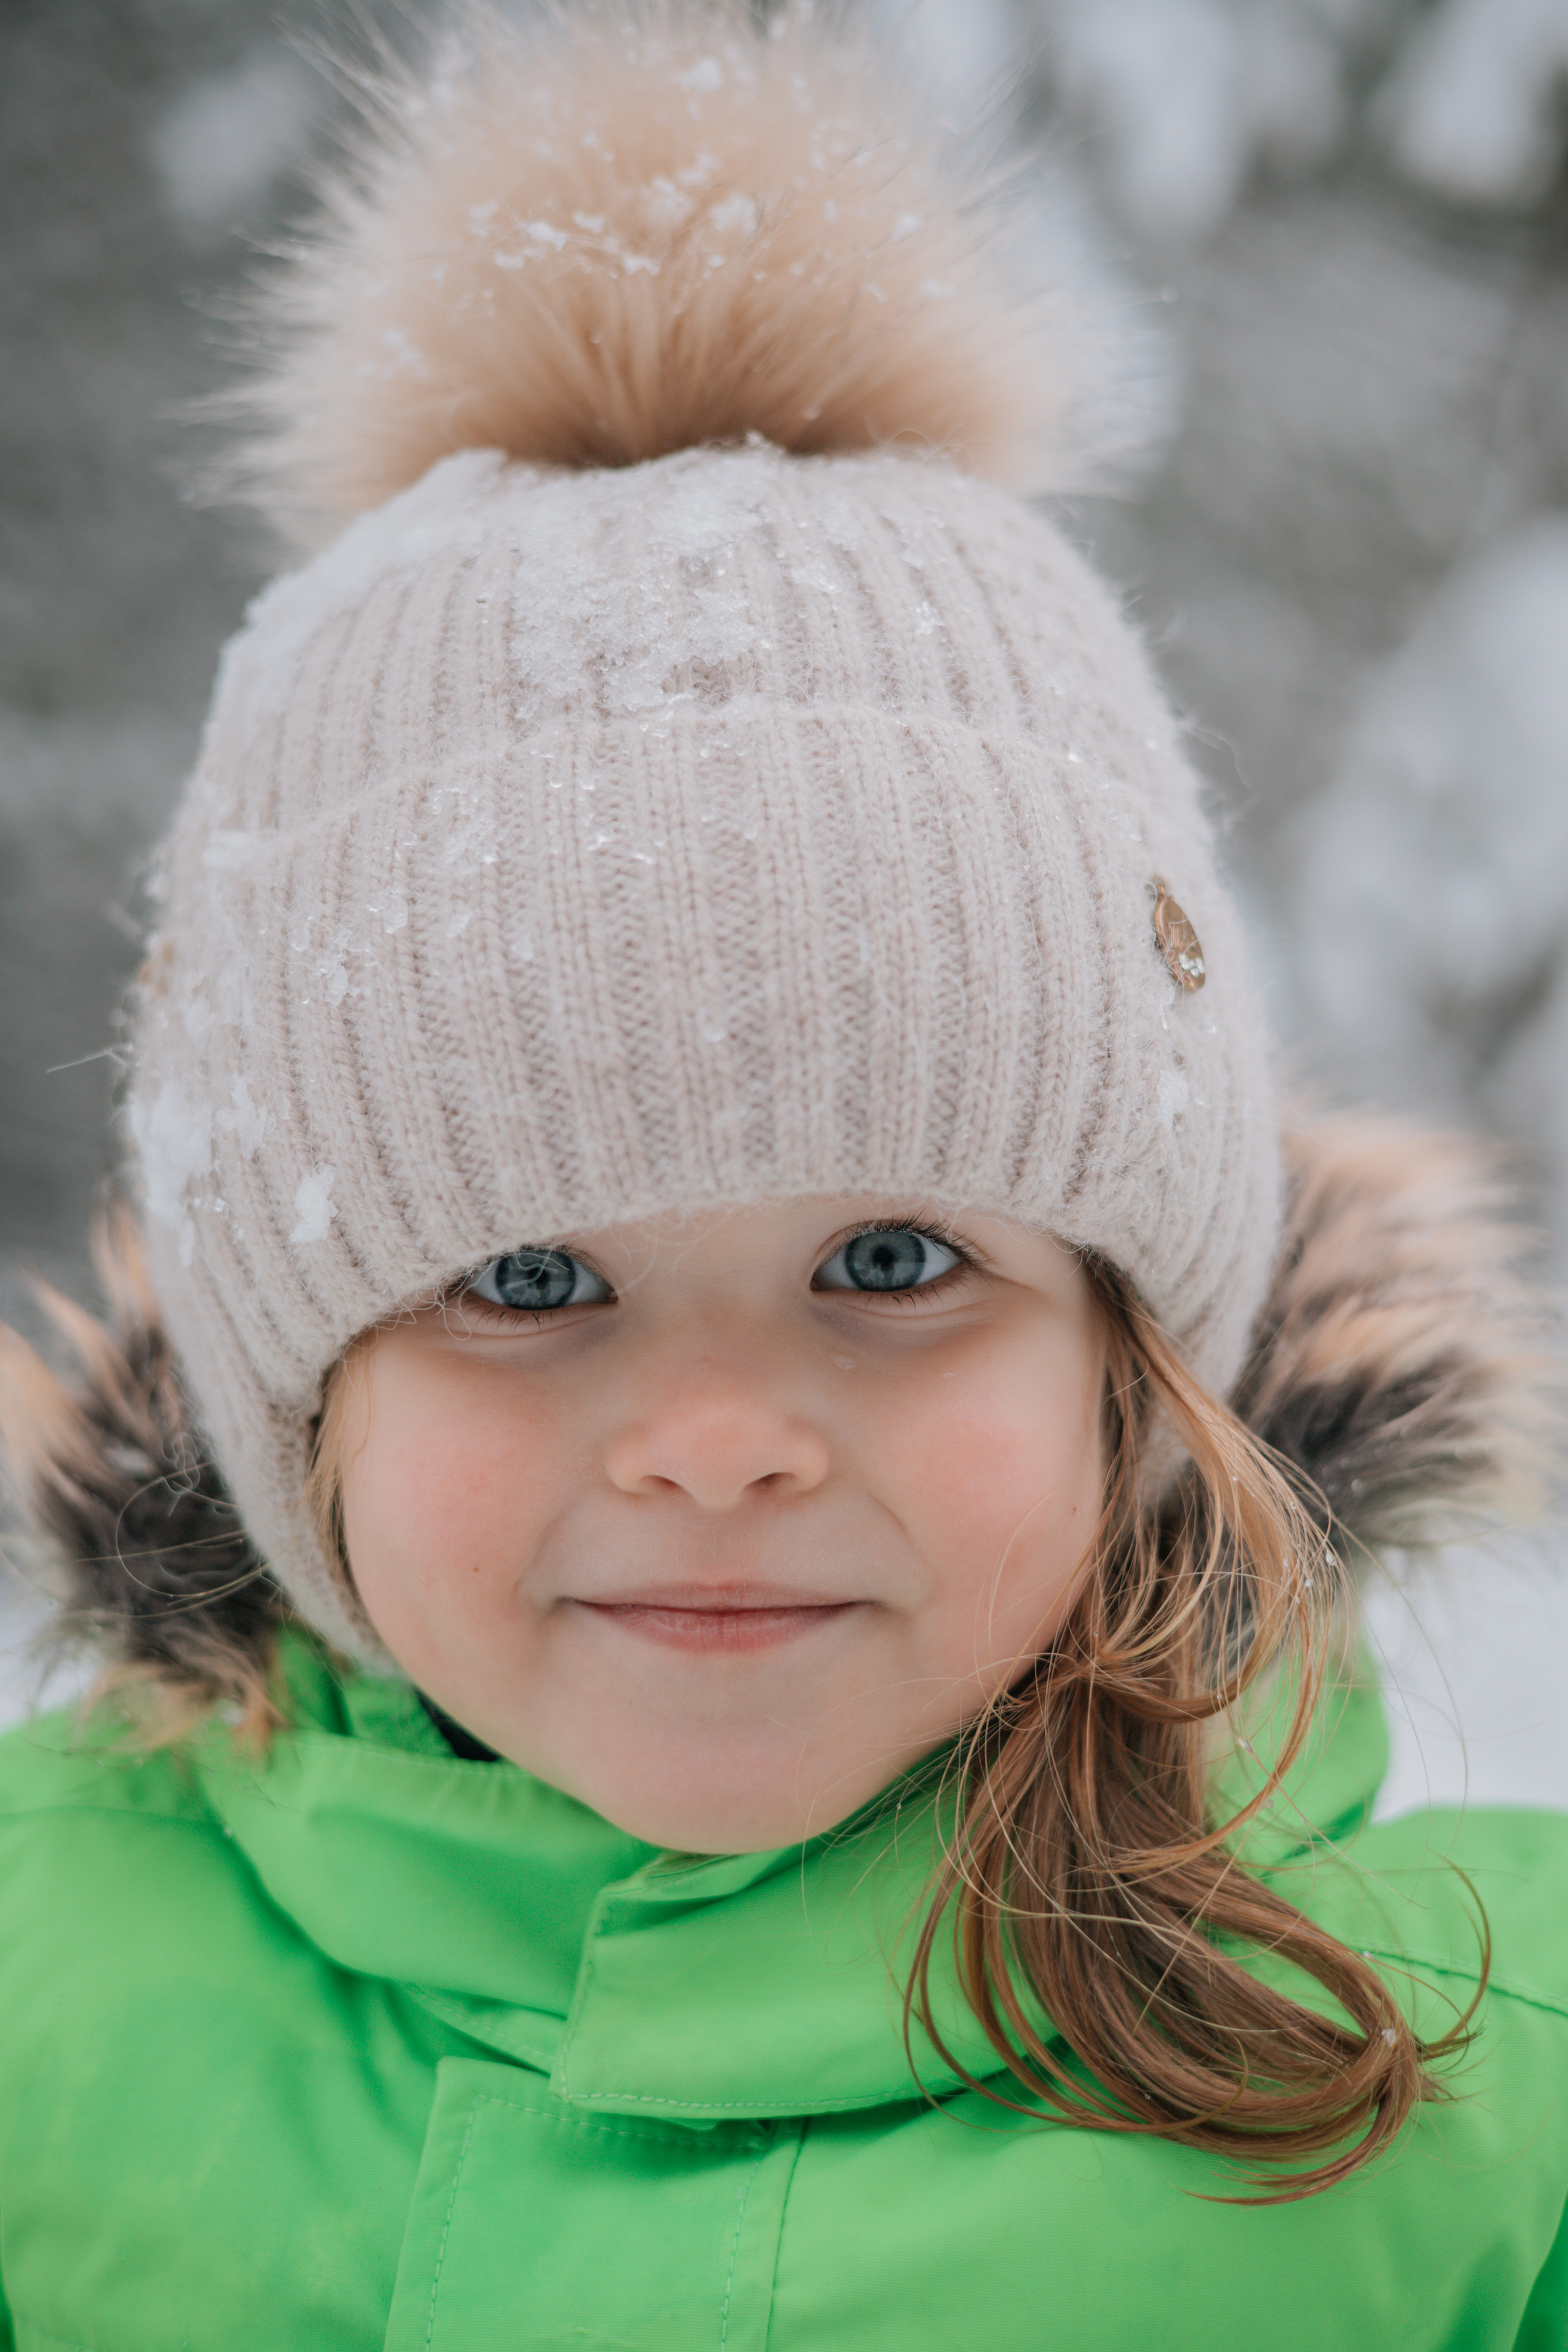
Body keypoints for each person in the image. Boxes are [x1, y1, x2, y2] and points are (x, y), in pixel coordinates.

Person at [1, 6, 1564, 2345]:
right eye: (532, 1276)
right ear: (288, 1394)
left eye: (892, 1255)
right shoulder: (41, 1994)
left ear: (1137, 1358)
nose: (720, 1438)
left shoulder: (1489, 2098)